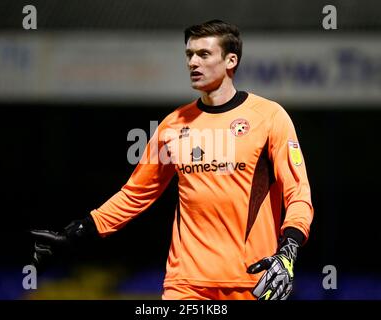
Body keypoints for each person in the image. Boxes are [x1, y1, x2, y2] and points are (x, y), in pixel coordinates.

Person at [31, 19, 314, 300]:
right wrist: (78, 231)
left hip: (253, 281)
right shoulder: (172, 125)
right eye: (189, 55)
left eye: (203, 54)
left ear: (231, 60)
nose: (193, 63)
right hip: (186, 283)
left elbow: (298, 193)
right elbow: (135, 194)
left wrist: (287, 251)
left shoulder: (269, 117)